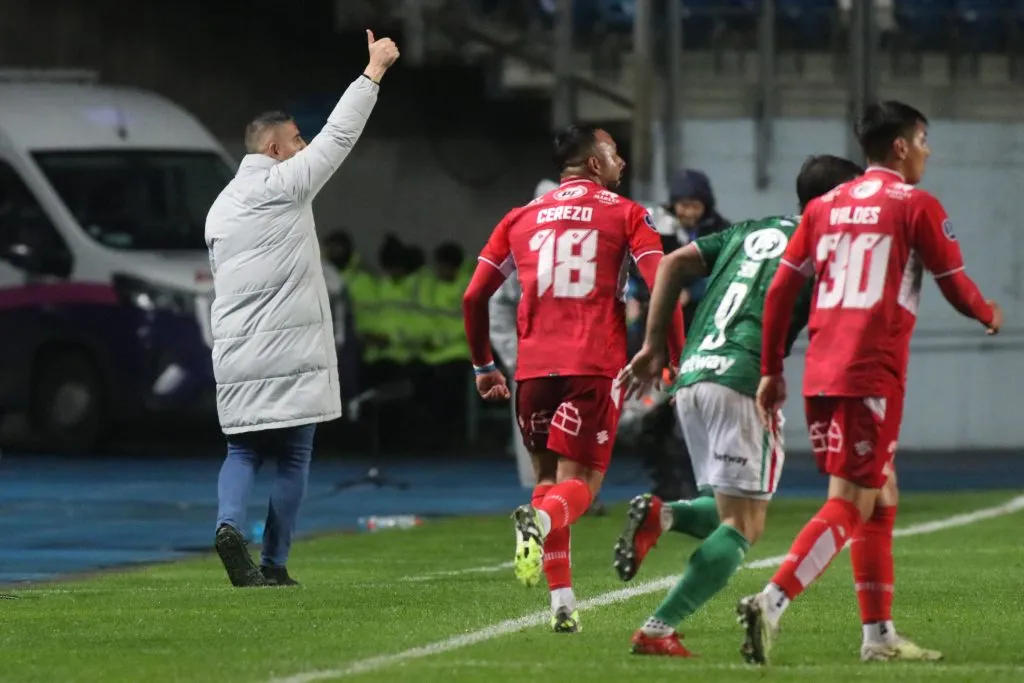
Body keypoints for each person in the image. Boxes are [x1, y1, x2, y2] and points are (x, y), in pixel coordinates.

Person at [741, 100, 1002, 664]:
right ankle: (771, 600)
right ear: (902, 145)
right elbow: (954, 284)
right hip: (870, 370)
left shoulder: (823, 207)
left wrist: (770, 369)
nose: (929, 153)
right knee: (851, 502)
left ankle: (878, 636)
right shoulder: (916, 206)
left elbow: (781, 291)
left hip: (821, 370)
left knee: (881, 497)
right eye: (924, 141)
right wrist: (988, 314)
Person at [616, 154, 865, 657]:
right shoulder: (825, 247)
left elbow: (671, 263)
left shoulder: (752, 230)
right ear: (838, 200)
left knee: (729, 508)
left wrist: (654, 344)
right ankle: (658, 628)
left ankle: (663, 516)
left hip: (693, 377)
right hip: (744, 379)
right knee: (745, 525)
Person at [462, 124, 686, 632]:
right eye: (613, 154)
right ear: (593, 164)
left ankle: (562, 605)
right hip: (591, 363)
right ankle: (537, 524)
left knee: (547, 481)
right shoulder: (627, 213)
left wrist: (484, 365)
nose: (621, 163)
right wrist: (670, 353)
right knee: (582, 483)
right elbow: (663, 281)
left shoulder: (518, 217)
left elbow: (474, 297)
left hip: (533, 369)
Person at [204, 31, 399, 588]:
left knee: (241, 451)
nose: (304, 144)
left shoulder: (219, 209)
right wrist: (372, 73)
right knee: (293, 458)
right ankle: (274, 563)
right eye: (296, 139)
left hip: (236, 353)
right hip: (289, 353)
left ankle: (227, 525)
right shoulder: (285, 186)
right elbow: (340, 135)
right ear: (273, 151)